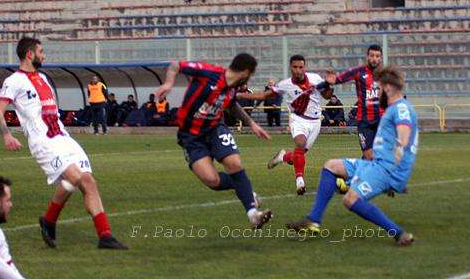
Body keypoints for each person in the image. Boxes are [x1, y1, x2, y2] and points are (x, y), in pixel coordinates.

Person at [0, 37, 127, 250]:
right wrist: (7, 135)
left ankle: (104, 235)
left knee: (88, 181)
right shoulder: (14, 81)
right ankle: (53, 221)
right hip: (43, 141)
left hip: (62, 137)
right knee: (75, 178)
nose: (43, 55)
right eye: (41, 51)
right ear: (30, 54)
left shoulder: (44, 78)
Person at [287, 66, 418, 247]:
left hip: (385, 168)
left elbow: (403, 139)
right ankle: (313, 220)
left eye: (378, 88)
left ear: (387, 88)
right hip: (377, 165)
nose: (376, 93)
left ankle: (399, 233)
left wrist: (394, 174)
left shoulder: (401, 108)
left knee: (350, 199)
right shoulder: (394, 108)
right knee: (330, 166)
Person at [154, 54, 273, 229]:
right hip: (190, 136)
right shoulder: (210, 73)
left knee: (234, 163)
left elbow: (232, 105)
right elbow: (175, 65)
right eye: (251, 74)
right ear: (246, 72)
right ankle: (245, 191)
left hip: (215, 129)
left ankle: (253, 214)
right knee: (212, 181)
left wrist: (251, 123)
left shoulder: (232, 87)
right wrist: (168, 83)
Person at [237, 55, 333, 195]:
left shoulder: (315, 79)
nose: (298, 70)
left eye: (301, 67)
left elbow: (327, 96)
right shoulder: (285, 84)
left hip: (315, 121)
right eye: (295, 67)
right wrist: (241, 95)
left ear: (304, 67)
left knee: (299, 155)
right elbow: (264, 96)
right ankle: (300, 181)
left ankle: (281, 157)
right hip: (298, 119)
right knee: (300, 144)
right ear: (290, 67)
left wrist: (330, 84)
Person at [319, 45, 384, 160]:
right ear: (367, 57)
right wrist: (324, 84)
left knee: (379, 155)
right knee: (369, 155)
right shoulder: (358, 72)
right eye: (372, 55)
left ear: (381, 58)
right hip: (365, 122)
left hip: (382, 121)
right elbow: (338, 79)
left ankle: (361, 176)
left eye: (377, 56)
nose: (374, 58)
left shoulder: (386, 74)